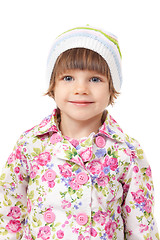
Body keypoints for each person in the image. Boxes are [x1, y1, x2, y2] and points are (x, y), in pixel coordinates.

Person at [0, 26, 159, 240]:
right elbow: (9, 216)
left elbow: (141, 228)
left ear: (112, 87)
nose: (80, 88)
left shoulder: (127, 153)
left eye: (95, 79)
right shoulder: (30, 145)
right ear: (52, 85)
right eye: (68, 78)